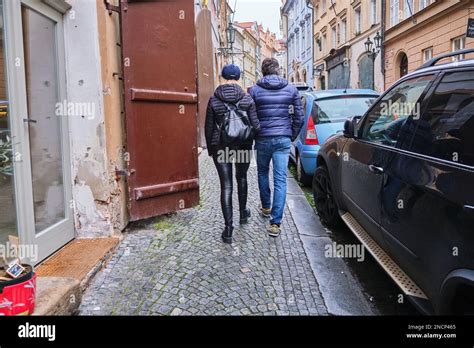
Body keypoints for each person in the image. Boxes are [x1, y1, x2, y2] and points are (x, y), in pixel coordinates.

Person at [205, 64, 260, 244]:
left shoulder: (214, 100)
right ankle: (243, 213)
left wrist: (211, 149)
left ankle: (228, 229)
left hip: (222, 146)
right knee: (242, 178)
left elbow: (209, 127)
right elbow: (255, 125)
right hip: (243, 145)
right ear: (238, 77)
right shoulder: (247, 99)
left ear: (222, 76)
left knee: (226, 185)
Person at [250, 58, 304, 237]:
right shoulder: (291, 89)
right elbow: (299, 116)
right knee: (280, 179)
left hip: (263, 139)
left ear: (263, 71)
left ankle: (266, 207)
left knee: (263, 173)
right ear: (278, 70)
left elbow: (249, 115)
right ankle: (275, 223)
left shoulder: (255, 91)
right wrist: (291, 134)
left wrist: (257, 130)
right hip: (283, 139)